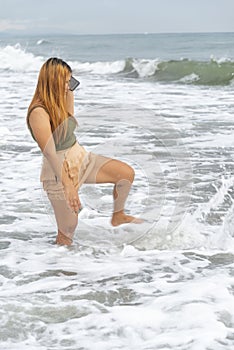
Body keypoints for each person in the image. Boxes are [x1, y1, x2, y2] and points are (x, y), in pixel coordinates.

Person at [27, 57, 141, 246]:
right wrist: (68, 185)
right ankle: (60, 268)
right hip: (58, 170)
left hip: (79, 157)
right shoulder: (38, 112)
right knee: (68, 229)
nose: (68, 85)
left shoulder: (60, 101)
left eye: (69, 80)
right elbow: (50, 152)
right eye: (64, 81)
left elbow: (69, 122)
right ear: (53, 81)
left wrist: (69, 89)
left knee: (125, 174)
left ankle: (118, 216)